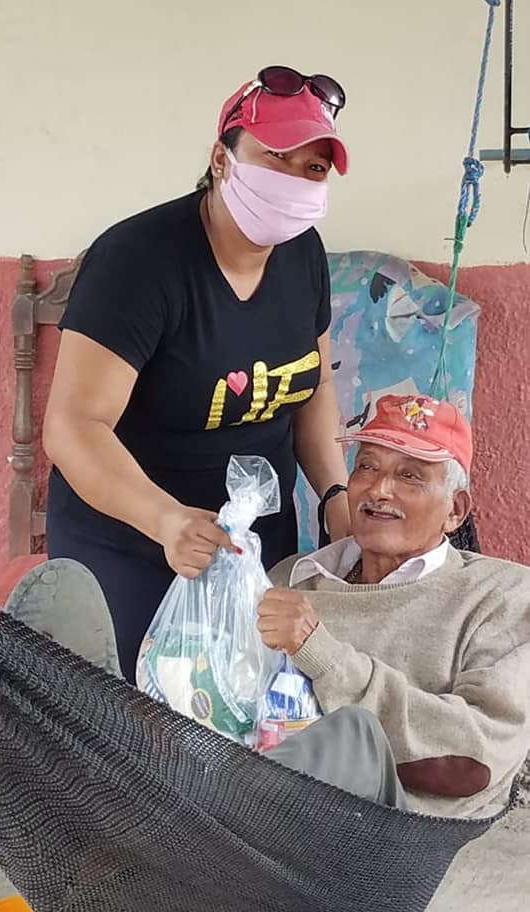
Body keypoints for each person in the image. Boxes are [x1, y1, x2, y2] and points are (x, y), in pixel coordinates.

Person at [42, 66, 352, 684]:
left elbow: (313, 386)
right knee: (139, 721)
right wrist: (166, 519)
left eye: (314, 168)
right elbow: (74, 426)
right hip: (132, 540)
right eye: (277, 157)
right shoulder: (138, 262)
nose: (295, 179)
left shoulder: (304, 255)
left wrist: (336, 496)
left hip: (255, 544)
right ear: (221, 159)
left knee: (254, 711)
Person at [259, 393, 530, 821]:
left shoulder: (499, 595)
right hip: (257, 798)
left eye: (410, 476)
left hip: (392, 830)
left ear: (455, 510)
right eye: (367, 467)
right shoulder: (293, 578)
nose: (379, 489)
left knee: (353, 734)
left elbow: (477, 756)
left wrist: (322, 654)